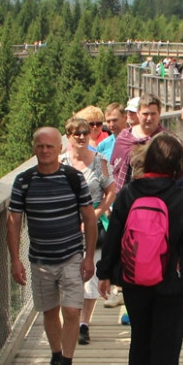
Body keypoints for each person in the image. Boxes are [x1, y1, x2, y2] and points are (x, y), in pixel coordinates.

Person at [97, 134, 183, 365]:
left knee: (140, 337)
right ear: (177, 166)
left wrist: (105, 273)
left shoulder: (129, 193)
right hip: (170, 283)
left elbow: (115, 236)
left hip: (133, 279)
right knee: (163, 347)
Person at [7, 127, 97, 365]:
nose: (44, 151)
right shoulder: (24, 181)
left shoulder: (73, 178)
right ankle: (56, 356)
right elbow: (13, 221)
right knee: (49, 310)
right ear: (33, 148)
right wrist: (15, 260)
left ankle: (68, 364)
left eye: (49, 146)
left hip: (70, 255)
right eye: (39, 146)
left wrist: (89, 257)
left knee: (71, 310)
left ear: (60, 148)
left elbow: (89, 217)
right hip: (40, 259)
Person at [60, 117, 116, 346]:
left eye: (85, 132)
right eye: (76, 133)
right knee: (67, 274)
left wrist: (99, 212)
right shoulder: (60, 162)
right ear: (69, 137)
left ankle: (84, 324)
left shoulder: (100, 161)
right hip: (66, 225)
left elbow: (111, 191)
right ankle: (71, 319)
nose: (82, 136)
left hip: (93, 225)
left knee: (90, 275)